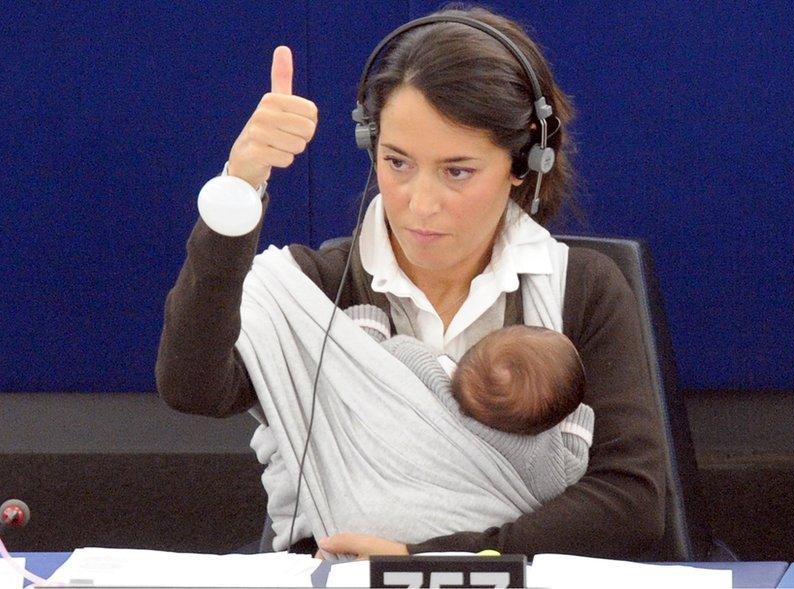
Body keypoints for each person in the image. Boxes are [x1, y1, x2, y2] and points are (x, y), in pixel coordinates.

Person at [156, 5, 666, 559]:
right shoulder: (313, 293)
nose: (420, 203)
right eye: (397, 163)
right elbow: (192, 387)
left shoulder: (583, 289)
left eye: (457, 171)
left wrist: (425, 562)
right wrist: (239, 186)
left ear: (525, 163)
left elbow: (631, 503)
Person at [346, 304, 590, 438]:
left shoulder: (424, 368)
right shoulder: (537, 460)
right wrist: (579, 419)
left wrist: (370, 321)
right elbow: (569, 468)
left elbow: (369, 360)